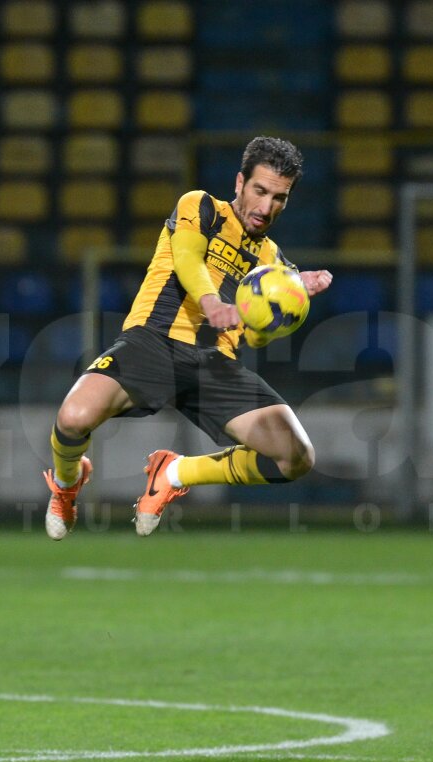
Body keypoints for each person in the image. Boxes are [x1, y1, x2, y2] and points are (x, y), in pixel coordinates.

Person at [43, 135, 335, 540]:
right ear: (239, 183)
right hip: (152, 340)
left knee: (297, 457)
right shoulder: (200, 206)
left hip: (214, 363)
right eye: (260, 191)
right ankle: (66, 482)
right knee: (73, 419)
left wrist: (288, 298)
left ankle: (175, 471)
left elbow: (256, 338)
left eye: (279, 199)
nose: (267, 208)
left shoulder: (274, 262)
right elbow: (187, 259)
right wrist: (212, 303)